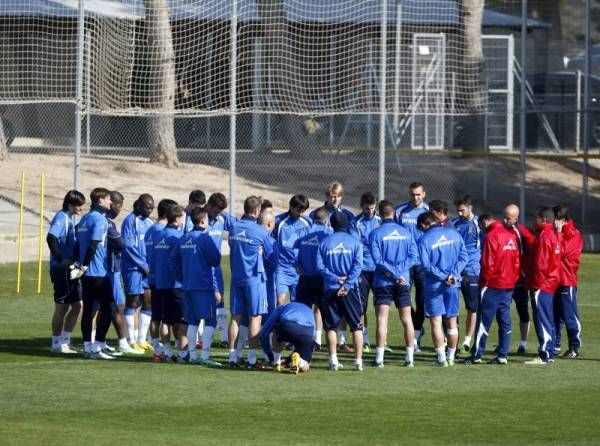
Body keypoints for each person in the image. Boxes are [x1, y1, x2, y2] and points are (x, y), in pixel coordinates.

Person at [369, 200, 418, 367]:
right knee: (407, 319)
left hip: (383, 281)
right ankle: (410, 358)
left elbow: (378, 260)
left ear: (379, 215)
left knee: (382, 319)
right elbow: (413, 257)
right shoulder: (406, 233)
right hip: (403, 280)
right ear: (394, 213)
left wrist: (392, 274)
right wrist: (399, 273)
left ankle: (379, 359)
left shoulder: (375, 234)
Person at [466, 211, 520, 365]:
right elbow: (517, 262)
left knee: (484, 321)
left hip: (492, 285)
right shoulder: (510, 236)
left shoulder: (490, 237)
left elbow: (487, 263)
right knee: (505, 321)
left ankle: (476, 355)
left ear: (484, 222)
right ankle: (503, 355)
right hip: (508, 285)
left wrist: (484, 282)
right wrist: (512, 279)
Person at [170, 207, 222, 366]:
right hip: (204, 287)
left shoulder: (184, 238)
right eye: (206, 219)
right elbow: (216, 260)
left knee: (192, 321)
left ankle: (192, 355)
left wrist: (182, 277)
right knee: (211, 320)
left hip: (187, 286)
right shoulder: (205, 238)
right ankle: (205, 356)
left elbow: (172, 261)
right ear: (202, 221)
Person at [227, 196, 273, 368]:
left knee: (236, 318)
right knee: (255, 317)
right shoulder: (260, 231)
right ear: (257, 211)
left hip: (236, 278)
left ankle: (232, 355)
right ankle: (252, 358)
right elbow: (270, 254)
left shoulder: (233, 228)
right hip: (254, 279)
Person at [417, 211, 467, 367]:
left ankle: (441, 359)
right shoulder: (454, 234)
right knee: (452, 322)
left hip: (434, 285)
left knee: (436, 322)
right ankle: (451, 357)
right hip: (453, 284)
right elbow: (463, 257)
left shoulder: (424, 239)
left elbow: (426, 265)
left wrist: (443, 276)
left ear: (424, 225)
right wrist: (453, 274)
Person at [316, 211, 364, 371]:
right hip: (349, 290)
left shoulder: (324, 242)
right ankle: (358, 362)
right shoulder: (355, 242)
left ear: (332, 224)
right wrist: (348, 283)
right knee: (357, 326)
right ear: (347, 224)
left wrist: (335, 279)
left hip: (329, 289)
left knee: (330, 327)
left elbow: (319, 266)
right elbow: (358, 266)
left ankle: (333, 361)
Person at [75, 187, 114, 359]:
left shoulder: (84, 219)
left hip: (85, 274)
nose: (110, 202)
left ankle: (87, 347)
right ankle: (97, 346)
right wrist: (84, 265)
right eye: (108, 199)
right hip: (98, 272)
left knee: (89, 310)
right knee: (109, 308)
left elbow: (77, 246)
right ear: (100, 200)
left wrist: (79, 268)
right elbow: (93, 245)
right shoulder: (100, 220)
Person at [47, 190, 85, 353]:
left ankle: (65, 342)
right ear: (70, 205)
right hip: (61, 269)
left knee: (77, 305)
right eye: (79, 206)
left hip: (72, 268)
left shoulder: (68, 218)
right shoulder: (61, 217)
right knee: (62, 307)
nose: (81, 209)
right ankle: (56, 343)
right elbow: (51, 237)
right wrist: (60, 259)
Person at [106, 191, 144, 355]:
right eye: (119, 205)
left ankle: (98, 342)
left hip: (113, 269)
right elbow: (124, 244)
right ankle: (124, 342)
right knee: (120, 305)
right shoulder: (108, 222)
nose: (120, 209)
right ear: (110, 203)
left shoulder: (107, 222)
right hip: (112, 269)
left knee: (111, 306)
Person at [394, 182, 429, 351]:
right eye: (412, 194)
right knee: (403, 300)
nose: (415, 197)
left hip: (423, 264)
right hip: (405, 264)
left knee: (422, 301)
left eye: (418, 194)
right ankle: (416, 330)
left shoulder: (429, 212)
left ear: (424, 194)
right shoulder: (399, 211)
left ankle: (415, 335)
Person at [526, 207, 562, 365]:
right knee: (548, 319)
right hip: (550, 282)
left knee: (542, 319)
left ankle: (545, 354)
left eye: (537, 218)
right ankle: (550, 351)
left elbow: (540, 264)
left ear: (544, 219)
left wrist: (535, 284)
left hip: (542, 283)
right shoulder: (553, 235)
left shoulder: (544, 236)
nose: (535, 221)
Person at [294, 206, 332, 350]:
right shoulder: (328, 233)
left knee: (302, 311)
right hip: (322, 279)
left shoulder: (303, 233)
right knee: (324, 311)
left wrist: (297, 266)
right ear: (326, 220)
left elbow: (291, 249)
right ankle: (320, 341)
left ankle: (301, 341)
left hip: (304, 278)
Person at [153, 204, 188, 362]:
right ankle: (182, 353)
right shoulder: (178, 237)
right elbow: (179, 261)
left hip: (160, 283)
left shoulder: (159, 235)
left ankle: (167, 352)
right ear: (179, 218)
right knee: (182, 320)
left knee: (165, 319)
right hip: (176, 285)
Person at [121, 194, 155, 351]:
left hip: (147, 269)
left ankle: (142, 339)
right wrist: (142, 264)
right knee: (132, 301)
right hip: (133, 268)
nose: (150, 210)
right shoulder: (130, 221)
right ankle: (131, 339)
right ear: (140, 205)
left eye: (152, 207)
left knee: (148, 301)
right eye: (148, 207)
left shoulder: (149, 223)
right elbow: (128, 246)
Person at [204, 192, 237, 347]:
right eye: (216, 211)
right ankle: (200, 339)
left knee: (220, 299)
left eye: (220, 211)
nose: (218, 214)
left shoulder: (223, 218)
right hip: (200, 267)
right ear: (208, 206)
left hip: (215, 267)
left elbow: (238, 226)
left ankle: (224, 338)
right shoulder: (198, 218)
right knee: (202, 300)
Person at [349, 192, 381, 352]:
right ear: (362, 207)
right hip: (362, 270)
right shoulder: (355, 222)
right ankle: (365, 339)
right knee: (361, 306)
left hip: (379, 270)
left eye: (373, 208)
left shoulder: (381, 221)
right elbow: (355, 246)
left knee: (381, 306)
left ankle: (382, 342)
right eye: (367, 208)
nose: (370, 211)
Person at [145, 198, 176, 361]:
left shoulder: (151, 230)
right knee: (167, 317)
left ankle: (157, 348)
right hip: (164, 278)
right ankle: (166, 348)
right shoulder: (163, 232)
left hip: (152, 276)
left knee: (155, 315)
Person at [504, 204, 535, 354]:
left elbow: (534, 247)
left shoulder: (521, 232)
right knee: (502, 312)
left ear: (516, 218)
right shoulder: (501, 230)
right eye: (504, 217)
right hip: (504, 280)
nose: (505, 220)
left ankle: (523, 343)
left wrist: (526, 271)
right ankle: (504, 343)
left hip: (519, 280)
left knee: (523, 312)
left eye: (508, 218)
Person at [552, 205, 583, 358]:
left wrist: (558, 234)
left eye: (555, 219)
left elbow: (561, 252)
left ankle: (574, 346)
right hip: (554, 281)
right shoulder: (557, 232)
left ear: (562, 219)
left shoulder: (574, 234)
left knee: (569, 315)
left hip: (566, 280)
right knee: (555, 316)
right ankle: (555, 345)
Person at [452, 196, 481, 352]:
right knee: (453, 308)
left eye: (462, 210)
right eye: (458, 210)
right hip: (456, 272)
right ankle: (453, 341)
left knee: (472, 307)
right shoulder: (454, 224)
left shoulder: (478, 224)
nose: (460, 213)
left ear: (470, 208)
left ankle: (467, 341)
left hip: (472, 271)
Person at [274, 194, 311, 304]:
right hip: (282, 267)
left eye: (303, 211)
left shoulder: (307, 222)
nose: (301, 213)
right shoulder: (279, 221)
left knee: (297, 302)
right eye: (298, 210)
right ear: (291, 206)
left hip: (299, 270)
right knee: (280, 300)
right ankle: (280, 321)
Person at [260, 302, 316, 374]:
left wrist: (270, 355)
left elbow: (263, 334)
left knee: (276, 329)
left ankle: (276, 362)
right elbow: (312, 339)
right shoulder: (309, 310)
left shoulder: (281, 307)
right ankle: (300, 362)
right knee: (306, 365)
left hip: (287, 326)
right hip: (307, 332)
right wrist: (287, 360)